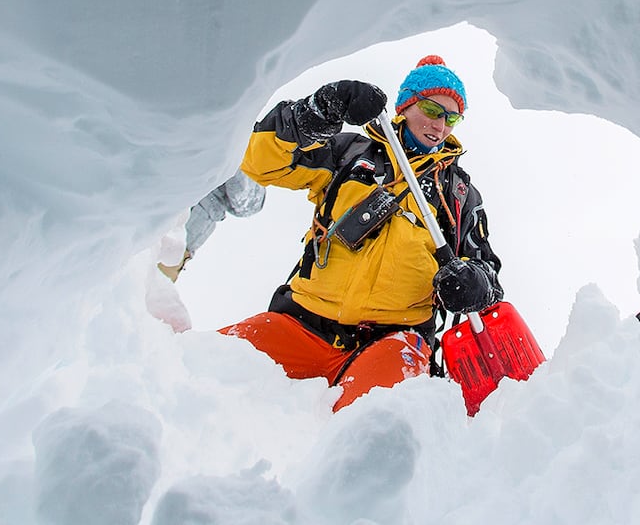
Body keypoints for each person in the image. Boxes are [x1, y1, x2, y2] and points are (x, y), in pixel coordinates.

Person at [216, 55, 504, 411]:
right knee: (203, 371)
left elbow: (487, 270)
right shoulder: (349, 154)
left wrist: (475, 283)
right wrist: (320, 111)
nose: (441, 125)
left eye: (452, 117)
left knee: (368, 431)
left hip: (392, 342)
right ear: (406, 105)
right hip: (303, 324)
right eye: (432, 109)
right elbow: (260, 163)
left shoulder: (458, 193)